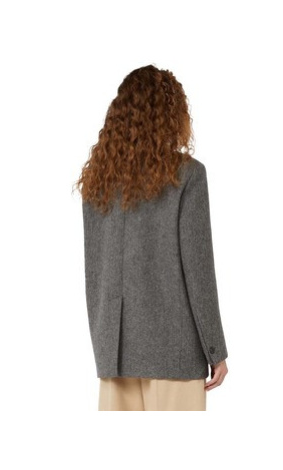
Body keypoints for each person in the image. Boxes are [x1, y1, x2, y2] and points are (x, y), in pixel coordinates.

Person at [75, 64, 229, 411]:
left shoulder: (99, 181)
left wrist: (104, 347)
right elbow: (198, 269)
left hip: (114, 350)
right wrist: (215, 349)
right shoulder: (187, 175)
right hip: (174, 350)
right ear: (173, 116)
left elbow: (94, 272)